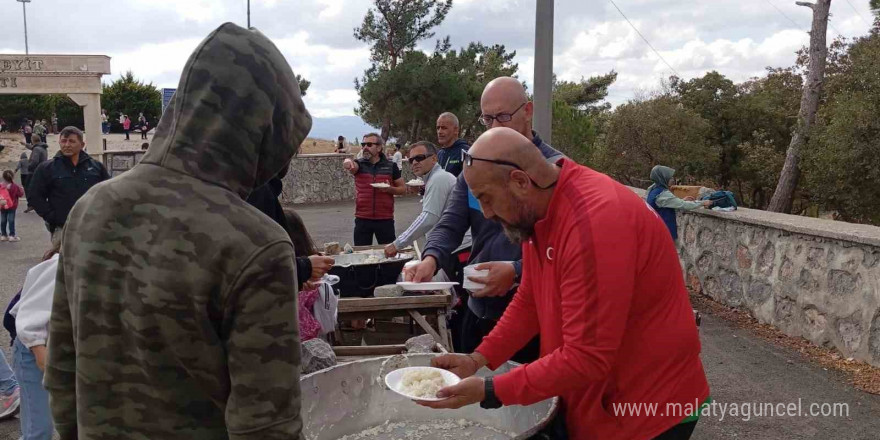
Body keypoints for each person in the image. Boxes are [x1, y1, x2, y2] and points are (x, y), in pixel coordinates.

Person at [44, 23, 313, 440]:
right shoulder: (254, 244)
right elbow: (266, 426)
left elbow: (62, 370)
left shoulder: (90, 208)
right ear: (266, 127)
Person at [419, 128, 711, 440]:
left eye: (487, 199)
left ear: (520, 181)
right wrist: (478, 360)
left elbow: (587, 356)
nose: (487, 215)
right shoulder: (540, 210)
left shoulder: (595, 223)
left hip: (648, 407)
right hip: (600, 397)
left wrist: (490, 390)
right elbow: (530, 300)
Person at [405, 77, 564, 361]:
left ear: (528, 111)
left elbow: (565, 252)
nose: (494, 128)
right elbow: (450, 222)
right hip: (478, 310)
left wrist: (516, 270)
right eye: (487, 119)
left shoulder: (555, 171)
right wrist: (430, 259)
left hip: (535, 320)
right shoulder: (476, 166)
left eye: (503, 116)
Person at [10, 243, 61, 440]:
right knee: (38, 431)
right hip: (36, 349)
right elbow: (29, 322)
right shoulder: (62, 266)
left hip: (68, 352)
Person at [27, 127, 110, 245]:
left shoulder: (96, 167)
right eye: (64, 141)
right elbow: (35, 196)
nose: (67, 145)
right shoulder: (47, 168)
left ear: (82, 144)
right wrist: (52, 217)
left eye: (71, 141)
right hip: (62, 228)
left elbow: (107, 194)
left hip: (92, 228)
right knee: (63, 262)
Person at [384, 141, 455, 258]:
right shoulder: (434, 178)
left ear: (434, 159)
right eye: (411, 160)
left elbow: (428, 218)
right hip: (447, 245)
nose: (415, 162)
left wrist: (397, 244)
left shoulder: (439, 178)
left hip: (455, 248)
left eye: (420, 158)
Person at [343, 133, 406, 246]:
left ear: (379, 147)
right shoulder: (359, 164)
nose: (365, 147)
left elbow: (402, 189)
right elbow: (351, 165)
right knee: (361, 257)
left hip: (385, 219)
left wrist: (390, 189)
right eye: (363, 144)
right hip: (362, 218)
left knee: (388, 256)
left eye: (369, 144)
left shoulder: (391, 166)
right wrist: (347, 162)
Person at [646, 165, 713, 240]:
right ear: (663, 178)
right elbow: (684, 205)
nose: (672, 179)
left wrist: (681, 200)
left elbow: (667, 202)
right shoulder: (662, 194)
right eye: (669, 177)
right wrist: (702, 203)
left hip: (654, 228)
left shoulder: (653, 190)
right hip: (663, 231)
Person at [435, 112, 470, 177]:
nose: (439, 132)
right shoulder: (440, 154)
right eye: (438, 128)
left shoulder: (466, 152)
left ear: (456, 130)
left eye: (444, 128)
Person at [1, 170, 24, 242]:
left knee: (3, 220)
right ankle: (12, 235)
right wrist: (22, 189)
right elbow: (20, 194)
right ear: (12, 177)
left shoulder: (1, 186)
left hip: (3, 205)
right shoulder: (15, 186)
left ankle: (3, 235)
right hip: (12, 206)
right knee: (11, 220)